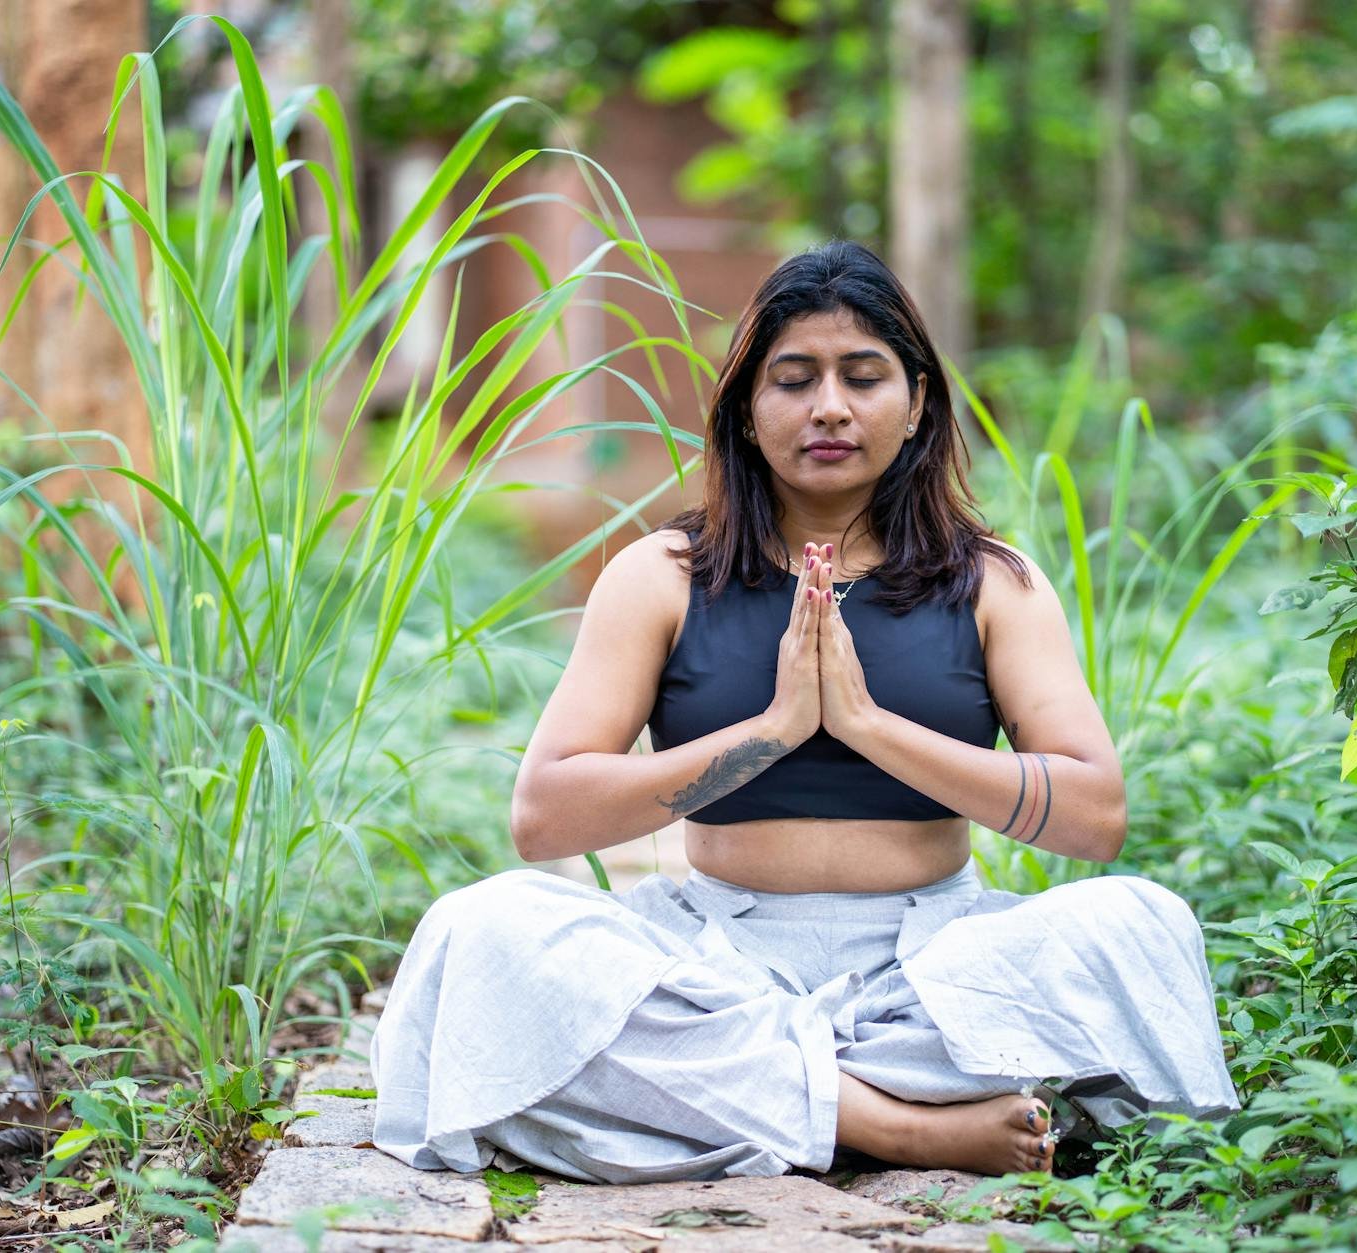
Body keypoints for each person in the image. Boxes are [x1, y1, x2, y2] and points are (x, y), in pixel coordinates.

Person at [370, 239, 1240, 1185]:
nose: (829, 405)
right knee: (485, 932)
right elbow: (544, 818)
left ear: (915, 406)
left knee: (1139, 923)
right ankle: (898, 1123)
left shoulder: (992, 583)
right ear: (747, 410)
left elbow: (1096, 816)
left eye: (863, 376)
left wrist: (868, 725)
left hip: (931, 967)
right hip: (716, 963)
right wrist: (773, 731)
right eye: (794, 378)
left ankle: (750, 1102)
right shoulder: (662, 576)